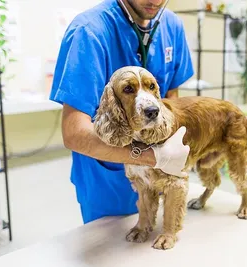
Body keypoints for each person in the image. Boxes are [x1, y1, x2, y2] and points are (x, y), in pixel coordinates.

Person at [49, 0, 194, 224]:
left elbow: (171, 99)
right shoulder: (88, 32)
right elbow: (74, 133)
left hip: (160, 179)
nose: (156, 1)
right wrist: (152, 157)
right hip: (108, 184)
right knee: (112, 254)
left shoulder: (172, 26)